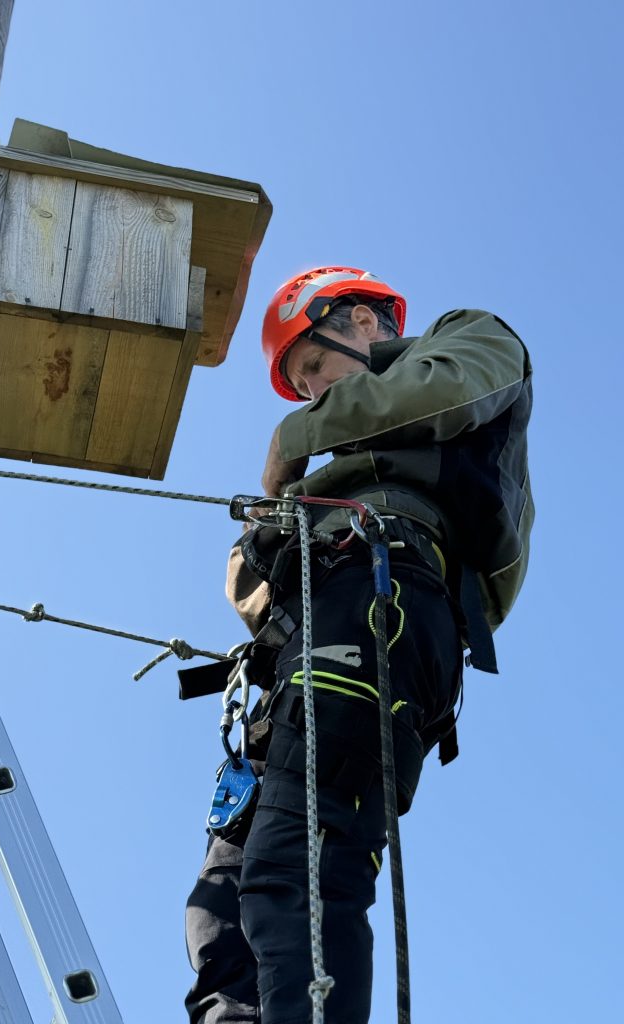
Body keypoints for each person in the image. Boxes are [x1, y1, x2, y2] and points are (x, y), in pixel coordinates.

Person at [185, 267, 533, 1023]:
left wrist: (294, 439)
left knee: (300, 872)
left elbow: (442, 394)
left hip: (387, 602)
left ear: (363, 322)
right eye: (301, 386)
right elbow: (252, 591)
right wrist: (268, 539)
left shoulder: (468, 340)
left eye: (314, 365)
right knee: (223, 905)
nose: (311, 392)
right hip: (312, 645)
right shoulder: (329, 480)